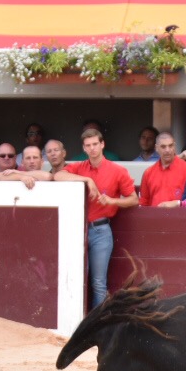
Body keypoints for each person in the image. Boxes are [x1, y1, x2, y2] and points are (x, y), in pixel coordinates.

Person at [54, 126, 138, 306]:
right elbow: (58, 175)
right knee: (76, 280)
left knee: (98, 283)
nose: (92, 148)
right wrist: (87, 179)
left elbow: (133, 199)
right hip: (79, 230)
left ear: (102, 145)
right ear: (84, 149)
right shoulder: (80, 167)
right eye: (88, 145)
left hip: (100, 230)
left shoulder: (117, 171)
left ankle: (96, 326)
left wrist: (113, 201)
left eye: (95, 144)